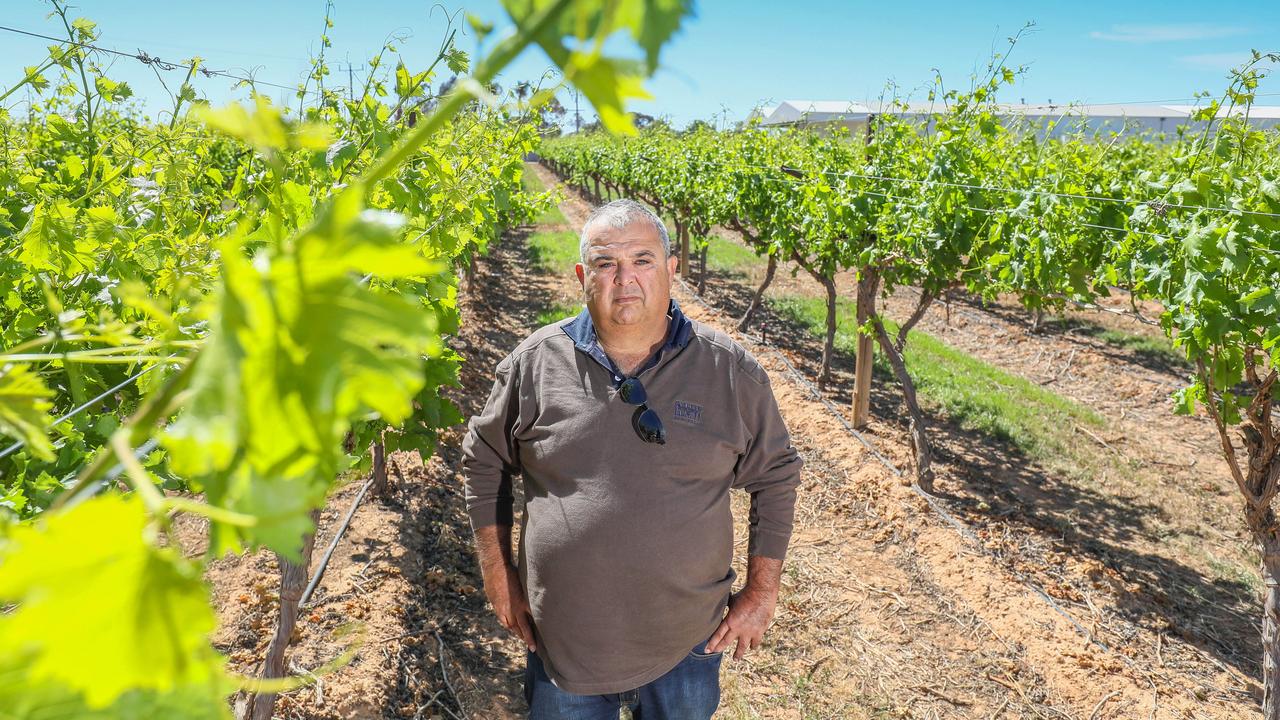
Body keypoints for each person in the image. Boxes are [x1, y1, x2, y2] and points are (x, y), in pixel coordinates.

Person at [461, 199, 802, 719]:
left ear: (672, 269)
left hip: (687, 645)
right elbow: (483, 461)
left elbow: (776, 475)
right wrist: (496, 571)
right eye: (605, 264)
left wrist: (761, 591)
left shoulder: (729, 372)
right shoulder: (535, 365)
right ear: (582, 275)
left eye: (643, 260)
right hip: (564, 646)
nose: (625, 279)